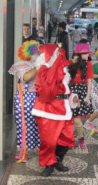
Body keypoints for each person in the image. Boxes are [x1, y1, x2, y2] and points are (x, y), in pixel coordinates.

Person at [32, 44, 80, 177]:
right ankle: (48, 165)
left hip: (63, 109)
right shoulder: (44, 71)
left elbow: (64, 90)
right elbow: (49, 86)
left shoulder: (62, 71)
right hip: (48, 110)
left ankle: (57, 160)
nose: (61, 57)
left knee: (67, 138)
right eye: (57, 54)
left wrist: (72, 97)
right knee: (48, 141)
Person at [8, 41, 41, 162]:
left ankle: (38, 147)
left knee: (39, 124)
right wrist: (38, 66)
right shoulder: (21, 65)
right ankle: (24, 152)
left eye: (37, 52)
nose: (36, 55)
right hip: (25, 98)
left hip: (38, 97)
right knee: (25, 125)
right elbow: (26, 77)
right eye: (34, 53)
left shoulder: (38, 65)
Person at [68, 43, 94, 149]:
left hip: (81, 92)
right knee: (69, 119)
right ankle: (70, 139)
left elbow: (89, 81)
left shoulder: (88, 64)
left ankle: (80, 138)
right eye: (86, 53)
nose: (88, 55)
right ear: (80, 54)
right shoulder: (70, 63)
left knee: (76, 119)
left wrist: (88, 96)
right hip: (70, 92)